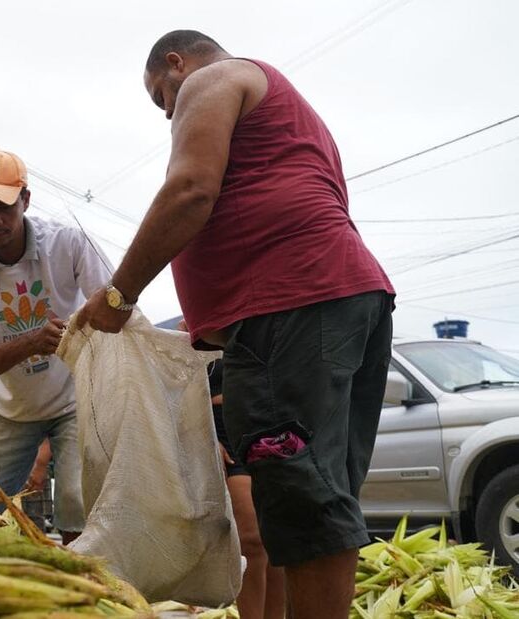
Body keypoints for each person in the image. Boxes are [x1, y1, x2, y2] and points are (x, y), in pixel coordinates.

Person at [77, 31, 394, 618]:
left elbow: (191, 189)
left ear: (176, 63)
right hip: (344, 299)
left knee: (304, 499)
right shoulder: (293, 113)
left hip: (289, 308)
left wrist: (119, 296)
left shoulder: (213, 78)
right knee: (322, 499)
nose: (169, 112)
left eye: (160, 97)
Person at [0, 149, 113, 544]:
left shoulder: (67, 243)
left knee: (75, 500)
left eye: (2, 207)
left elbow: (112, 306)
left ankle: (80, 594)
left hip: (74, 400)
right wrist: (33, 341)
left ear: (26, 200)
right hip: (10, 410)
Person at [208, 357, 286, 619]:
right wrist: (204, 436)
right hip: (220, 430)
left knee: (277, 539)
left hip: (269, 422)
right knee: (251, 539)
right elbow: (173, 391)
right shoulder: (192, 327)